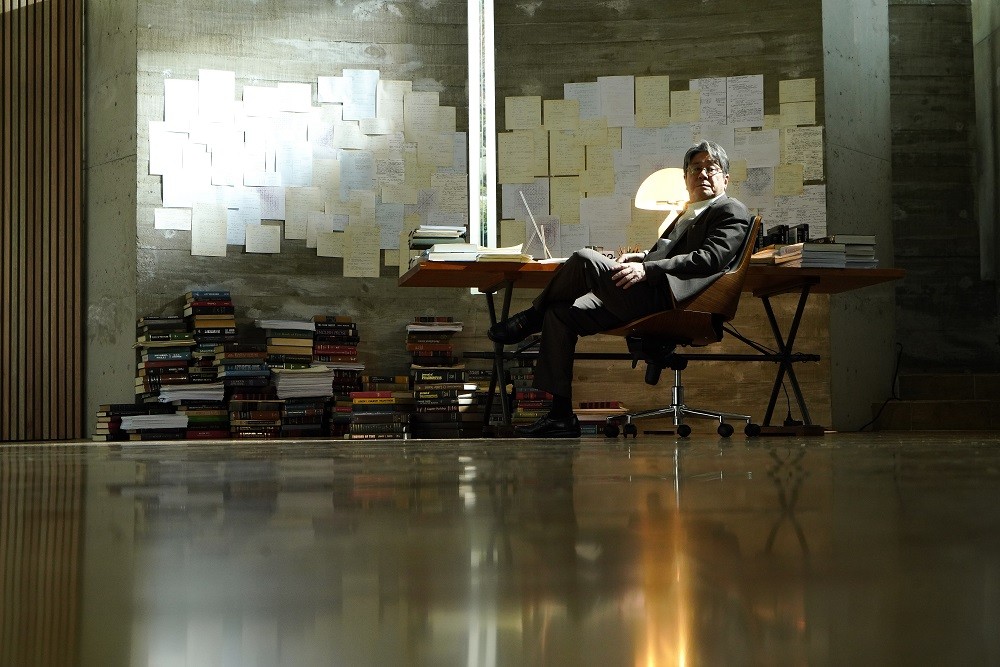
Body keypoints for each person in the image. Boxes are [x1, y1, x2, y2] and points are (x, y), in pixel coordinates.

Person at [487, 140, 752, 438]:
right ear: (686, 178)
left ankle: (529, 319)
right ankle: (560, 417)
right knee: (560, 313)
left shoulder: (730, 209)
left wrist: (647, 269)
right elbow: (671, 253)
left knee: (585, 259)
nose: (702, 174)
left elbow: (710, 259)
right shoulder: (689, 212)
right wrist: (642, 258)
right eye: (695, 168)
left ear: (725, 178)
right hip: (646, 294)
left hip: (670, 300)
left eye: (711, 168)